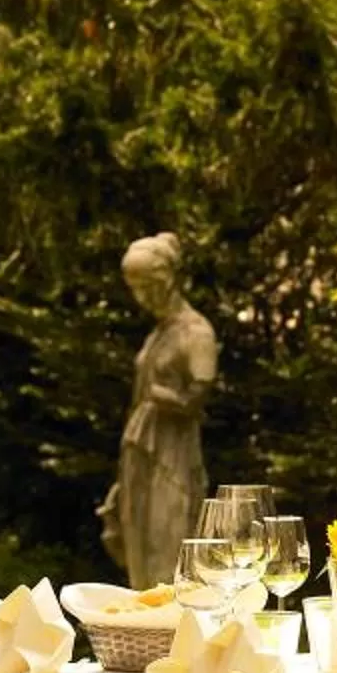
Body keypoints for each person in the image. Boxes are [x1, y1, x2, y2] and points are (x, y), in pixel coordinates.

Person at [99, 233, 217, 588]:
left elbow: (197, 396)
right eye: (135, 289)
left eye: (146, 287)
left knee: (169, 547)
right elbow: (139, 400)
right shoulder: (158, 333)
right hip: (139, 450)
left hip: (172, 456)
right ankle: (144, 623)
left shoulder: (196, 332)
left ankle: (172, 624)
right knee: (138, 549)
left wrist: (164, 397)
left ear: (166, 280)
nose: (141, 298)